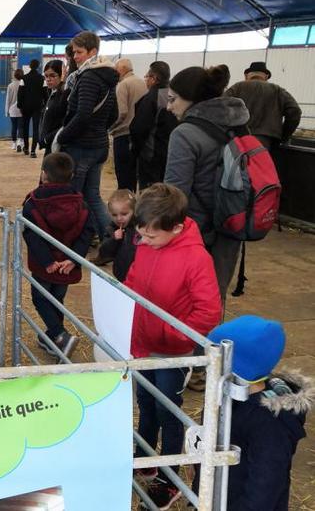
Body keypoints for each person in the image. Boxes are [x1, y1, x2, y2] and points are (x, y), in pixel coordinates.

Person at [124, 183, 222, 510]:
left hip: (173, 352)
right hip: (143, 342)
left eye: (151, 236)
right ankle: (146, 455)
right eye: (141, 235)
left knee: (169, 409)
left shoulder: (196, 258)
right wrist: (121, 300)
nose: (144, 241)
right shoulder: (146, 244)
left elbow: (208, 311)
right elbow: (135, 278)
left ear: (177, 227)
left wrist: (174, 336)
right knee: (146, 401)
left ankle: (170, 477)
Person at [206, 315, 311, 511]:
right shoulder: (228, 398)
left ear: (235, 368)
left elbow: (264, 489)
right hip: (221, 498)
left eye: (214, 360)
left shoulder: (270, 425)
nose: (206, 366)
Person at [164, 65, 248, 302]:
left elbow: (174, 193)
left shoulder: (185, 133)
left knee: (186, 300)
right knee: (213, 296)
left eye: (173, 99)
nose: (169, 107)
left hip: (196, 231)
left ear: (192, 99)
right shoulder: (238, 124)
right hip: (232, 223)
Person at [22, 152, 94, 358]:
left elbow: (32, 235)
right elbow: (87, 232)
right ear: (72, 176)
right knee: (56, 298)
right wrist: (73, 259)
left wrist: (47, 261)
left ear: (44, 175)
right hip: (66, 265)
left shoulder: (33, 203)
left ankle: (60, 336)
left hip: (45, 265)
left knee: (40, 298)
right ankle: (52, 338)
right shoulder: (81, 204)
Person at [53, 31, 118, 240]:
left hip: (81, 146)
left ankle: (75, 240)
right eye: (73, 52)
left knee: (74, 197)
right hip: (98, 145)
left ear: (93, 52)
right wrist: (99, 130)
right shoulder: (107, 77)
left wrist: (62, 137)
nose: (75, 57)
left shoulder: (89, 77)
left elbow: (82, 115)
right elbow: (113, 114)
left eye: (79, 52)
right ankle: (111, 239)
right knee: (92, 195)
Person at [224, 61, 302, 152]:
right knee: (263, 165)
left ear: (246, 75)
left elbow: (220, 106)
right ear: (266, 76)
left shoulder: (237, 87)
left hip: (239, 139)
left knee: (238, 165)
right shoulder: (277, 90)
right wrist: (284, 135)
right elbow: (295, 111)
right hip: (268, 142)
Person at [130, 61, 178, 189]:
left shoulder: (152, 98)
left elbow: (139, 128)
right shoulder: (173, 95)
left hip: (151, 155)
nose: (146, 80)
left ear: (154, 79)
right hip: (171, 153)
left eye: (147, 76)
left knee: (150, 192)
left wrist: (135, 150)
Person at [110, 58, 148, 192]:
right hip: (140, 136)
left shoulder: (123, 85)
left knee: (123, 178)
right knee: (134, 176)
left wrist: (110, 127)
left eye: (116, 69)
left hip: (123, 135)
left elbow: (122, 112)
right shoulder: (143, 83)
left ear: (122, 69)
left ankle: (125, 207)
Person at [93, 189, 138, 282]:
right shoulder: (112, 228)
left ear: (134, 211)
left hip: (138, 275)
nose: (119, 218)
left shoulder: (141, 228)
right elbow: (104, 252)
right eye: (114, 215)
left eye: (124, 214)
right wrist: (114, 239)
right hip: (121, 274)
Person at [38, 59, 68, 156]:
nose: (48, 79)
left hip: (57, 148)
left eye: (52, 75)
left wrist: (47, 138)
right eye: (46, 76)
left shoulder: (64, 96)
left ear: (61, 76)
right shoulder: (51, 94)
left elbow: (65, 123)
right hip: (49, 147)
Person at [17, 59, 46, 158]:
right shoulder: (42, 79)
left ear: (30, 66)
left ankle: (26, 148)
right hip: (37, 107)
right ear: (38, 66)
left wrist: (20, 106)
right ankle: (33, 151)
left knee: (25, 127)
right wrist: (45, 105)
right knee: (35, 129)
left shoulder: (23, 78)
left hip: (26, 107)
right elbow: (45, 94)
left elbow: (20, 94)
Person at [5, 69, 24, 152]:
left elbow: (8, 99)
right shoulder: (23, 84)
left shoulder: (10, 85)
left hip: (12, 109)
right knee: (21, 127)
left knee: (14, 126)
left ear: (14, 75)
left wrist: (7, 110)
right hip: (21, 108)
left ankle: (14, 143)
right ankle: (20, 142)